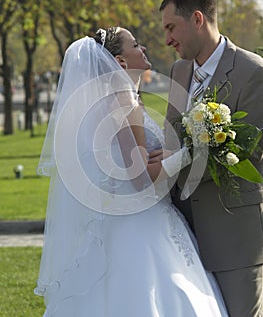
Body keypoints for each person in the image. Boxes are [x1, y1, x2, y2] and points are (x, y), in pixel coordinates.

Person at [34, 26, 229, 316]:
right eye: (136, 45)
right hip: (143, 222)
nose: (145, 49)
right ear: (121, 62)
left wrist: (166, 156)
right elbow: (140, 178)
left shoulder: (103, 103)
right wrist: (191, 153)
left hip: (118, 220)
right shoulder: (123, 101)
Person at [157, 0, 263, 317]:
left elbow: (252, 155)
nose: (167, 39)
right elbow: (172, 138)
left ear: (198, 19)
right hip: (182, 239)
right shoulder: (178, 71)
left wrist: (176, 162)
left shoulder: (253, 72)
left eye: (171, 27)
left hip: (234, 239)